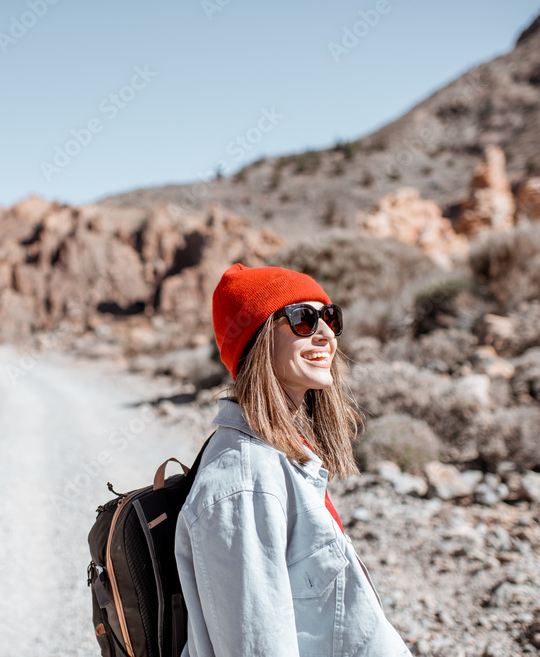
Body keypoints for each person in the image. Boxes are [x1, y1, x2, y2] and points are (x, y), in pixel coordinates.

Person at [174, 262, 412, 656]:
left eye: (330, 317)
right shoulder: (247, 482)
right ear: (258, 340)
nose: (325, 334)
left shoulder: (282, 457)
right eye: (303, 319)